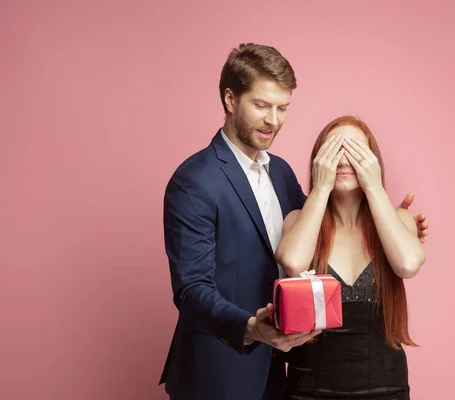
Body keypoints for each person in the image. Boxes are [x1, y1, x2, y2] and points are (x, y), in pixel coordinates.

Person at [159, 43, 429, 400]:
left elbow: (323, 228)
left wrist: (392, 224)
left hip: (280, 369)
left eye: (282, 107)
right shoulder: (194, 181)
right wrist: (252, 328)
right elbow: (191, 289)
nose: (273, 120)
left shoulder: (281, 173)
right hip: (219, 371)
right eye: (261, 105)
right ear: (229, 99)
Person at [275, 115, 427, 400]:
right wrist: (320, 188)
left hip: (385, 387)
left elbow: (407, 264)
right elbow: (293, 262)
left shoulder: (400, 220)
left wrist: (374, 186)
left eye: (356, 151)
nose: (344, 160)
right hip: (309, 388)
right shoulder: (298, 220)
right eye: (334, 150)